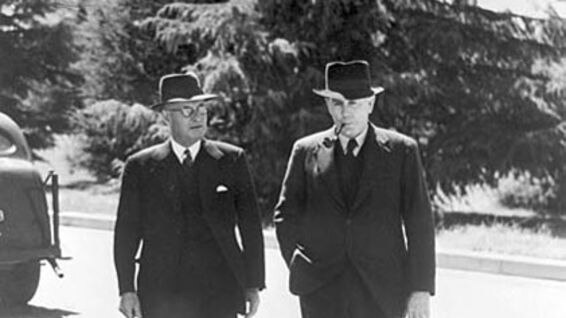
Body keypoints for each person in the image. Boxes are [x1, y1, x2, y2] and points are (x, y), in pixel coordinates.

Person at [274, 60, 435, 318]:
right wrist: (300, 265)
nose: (345, 113)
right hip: (320, 292)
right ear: (328, 104)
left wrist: (420, 290)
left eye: (354, 104)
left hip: (382, 292)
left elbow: (420, 224)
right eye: (337, 104)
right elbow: (285, 216)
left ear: (370, 104)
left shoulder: (401, 151)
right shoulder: (305, 150)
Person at [114, 72, 265, 318]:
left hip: (220, 291)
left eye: (201, 108)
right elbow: (126, 233)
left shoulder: (231, 159)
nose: (197, 117)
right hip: (162, 294)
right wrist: (126, 290)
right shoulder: (140, 166)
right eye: (186, 110)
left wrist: (253, 284)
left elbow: (250, 226)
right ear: (166, 115)